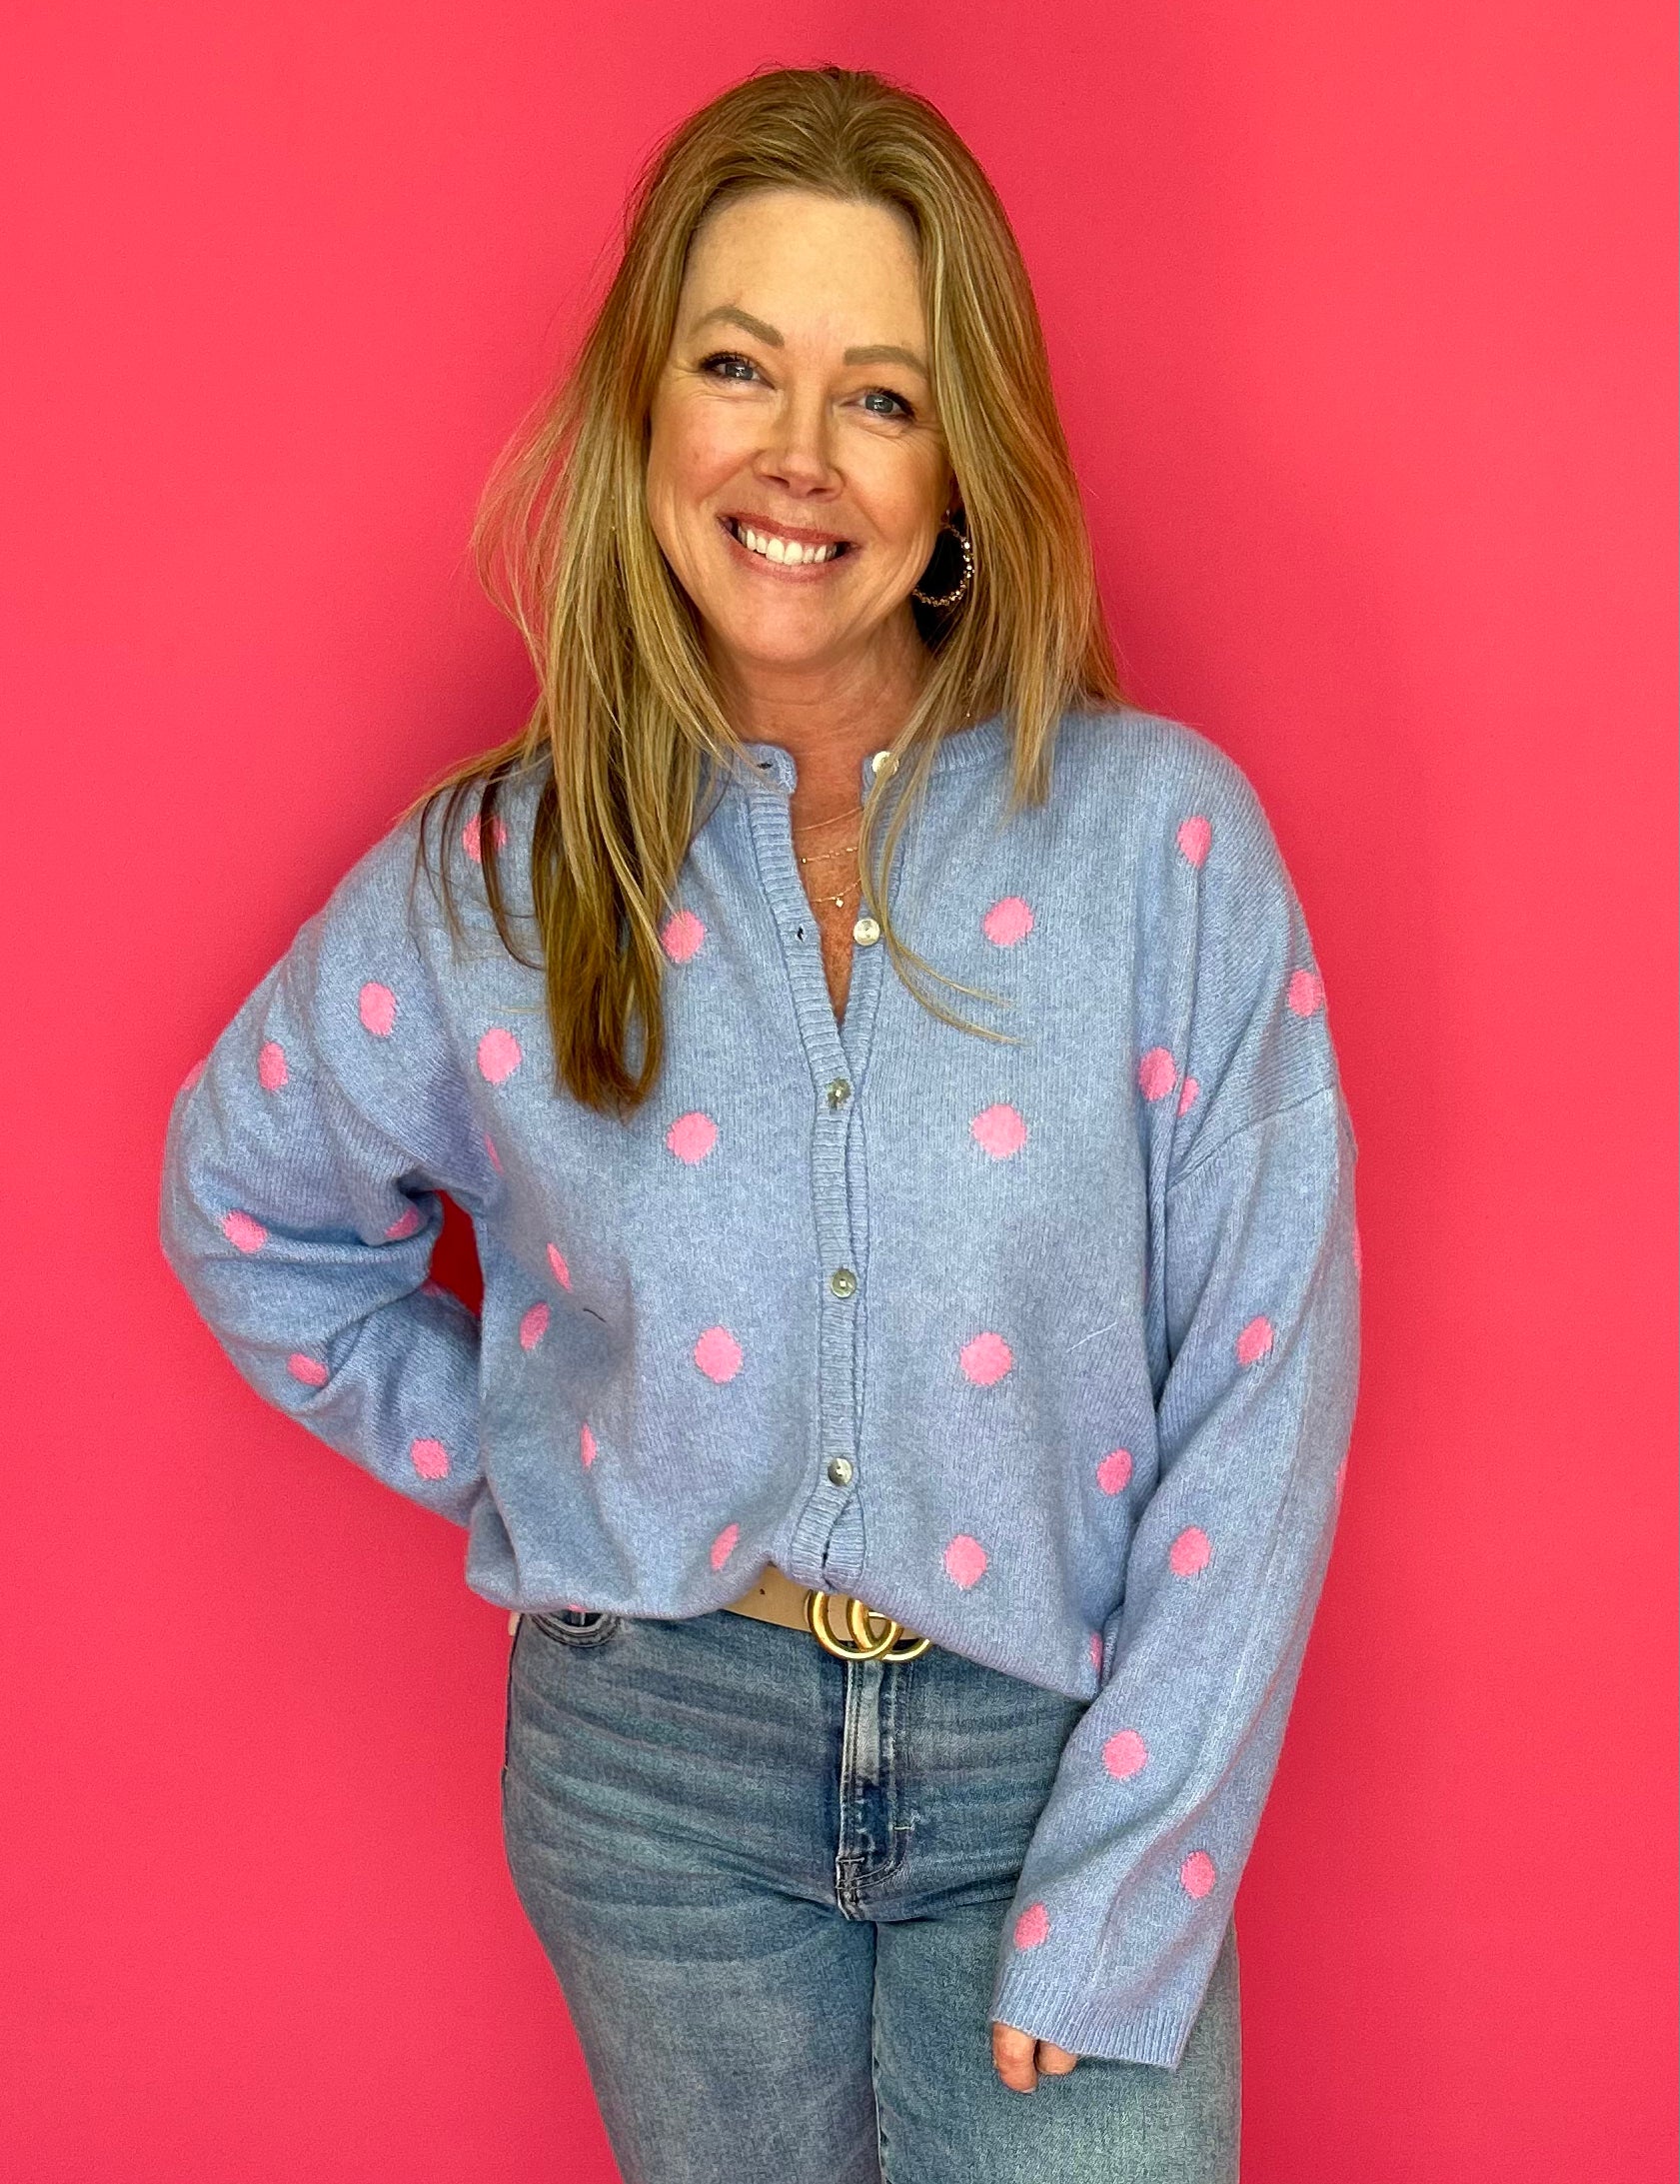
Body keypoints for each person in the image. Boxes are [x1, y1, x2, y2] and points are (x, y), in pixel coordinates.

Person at [158, 62, 1360, 2184]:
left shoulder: (1157, 847)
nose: (797, 458)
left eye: (880, 395)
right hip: (656, 1791)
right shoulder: (499, 882)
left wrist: (1126, 1884)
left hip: (1050, 1764)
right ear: (649, 410)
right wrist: (553, 1463)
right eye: (739, 366)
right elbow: (241, 1206)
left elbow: (1261, 1388)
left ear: (963, 459)